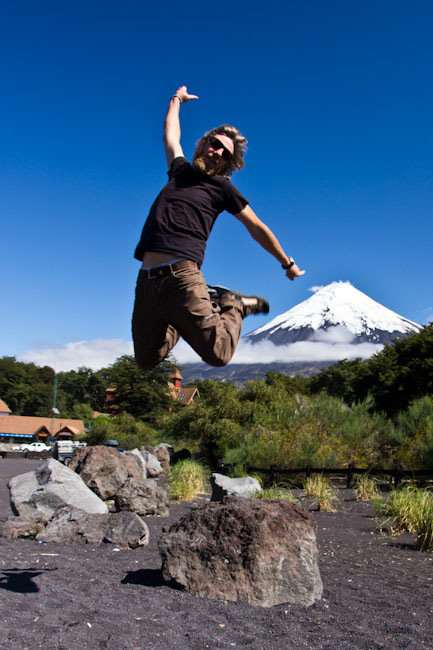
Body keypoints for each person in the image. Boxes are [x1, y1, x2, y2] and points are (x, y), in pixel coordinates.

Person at [132, 85, 305, 371]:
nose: (217, 152)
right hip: (147, 281)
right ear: (202, 144)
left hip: (182, 279)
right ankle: (180, 318)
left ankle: (234, 304)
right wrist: (176, 100)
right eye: (214, 144)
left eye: (224, 153)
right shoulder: (179, 171)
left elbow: (256, 226)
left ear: (227, 163)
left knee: (219, 353)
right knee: (146, 360)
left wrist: (287, 262)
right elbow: (170, 135)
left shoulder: (222, 188)